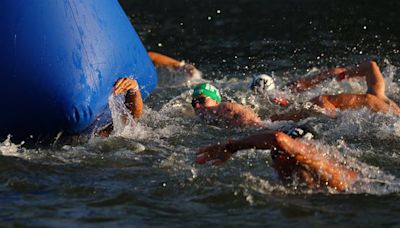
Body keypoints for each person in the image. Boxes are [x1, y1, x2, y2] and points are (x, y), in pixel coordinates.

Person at [196, 129, 359, 192]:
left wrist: (231, 147)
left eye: (278, 155)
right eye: (273, 155)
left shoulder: (324, 167)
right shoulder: (301, 179)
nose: (275, 162)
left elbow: (277, 139)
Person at [264, 61, 400, 121]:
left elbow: (371, 65)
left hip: (331, 107)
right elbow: (371, 65)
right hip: (335, 106)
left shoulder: (377, 97)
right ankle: (280, 112)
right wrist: (343, 75)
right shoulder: (380, 97)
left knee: (317, 103)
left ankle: (278, 114)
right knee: (334, 75)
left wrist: (345, 75)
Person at [191, 83, 265, 128]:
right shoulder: (200, 117)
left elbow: (257, 126)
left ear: (216, 101)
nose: (197, 106)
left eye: (201, 100)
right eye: (194, 102)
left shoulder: (226, 108)